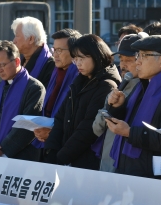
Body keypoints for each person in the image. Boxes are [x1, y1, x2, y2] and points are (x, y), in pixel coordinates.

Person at [105, 35, 161, 178]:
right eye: (137, 56)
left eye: (143, 56)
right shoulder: (143, 85)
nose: (138, 62)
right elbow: (127, 120)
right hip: (127, 168)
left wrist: (129, 132)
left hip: (151, 178)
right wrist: (118, 107)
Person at [44, 34, 121, 169]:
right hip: (69, 158)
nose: (78, 63)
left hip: (89, 161)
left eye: (82, 58)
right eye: (75, 59)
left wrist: (61, 157)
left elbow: (88, 129)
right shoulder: (80, 81)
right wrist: (51, 151)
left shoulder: (107, 85)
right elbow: (61, 118)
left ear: (96, 55)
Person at [0, 41, 45, 161]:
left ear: (17, 61)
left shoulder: (35, 88)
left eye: (3, 65)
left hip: (23, 158)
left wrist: (3, 150)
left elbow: (27, 126)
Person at [92, 33, 145, 172]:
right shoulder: (117, 90)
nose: (123, 65)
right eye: (121, 59)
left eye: (129, 60)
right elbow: (96, 129)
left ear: (142, 60)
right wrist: (108, 107)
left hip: (128, 168)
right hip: (107, 164)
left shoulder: (146, 92)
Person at [33, 28, 81, 146]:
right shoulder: (56, 72)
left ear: (74, 52)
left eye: (60, 50)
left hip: (65, 143)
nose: (55, 54)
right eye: (54, 49)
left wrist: (53, 132)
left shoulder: (80, 76)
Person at [12, 16, 55, 88]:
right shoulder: (20, 60)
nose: (14, 41)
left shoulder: (51, 65)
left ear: (31, 39)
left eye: (17, 36)